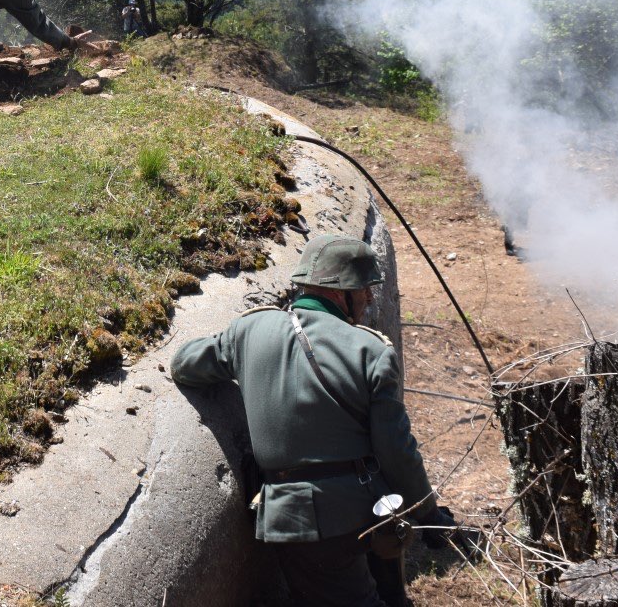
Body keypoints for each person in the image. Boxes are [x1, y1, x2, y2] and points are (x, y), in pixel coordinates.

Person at [170, 234, 444, 607]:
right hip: (371, 510)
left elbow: (185, 365)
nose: (369, 298)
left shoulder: (250, 331)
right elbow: (396, 449)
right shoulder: (372, 350)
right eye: (364, 289)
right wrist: (427, 511)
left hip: (299, 520)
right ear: (340, 291)